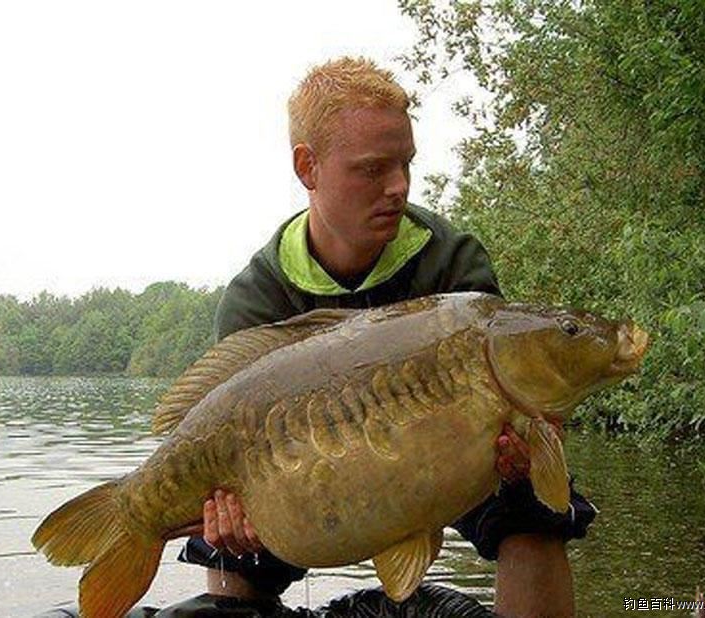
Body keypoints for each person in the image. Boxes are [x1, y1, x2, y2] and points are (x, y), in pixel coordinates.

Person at [178, 57, 596, 618]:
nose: (398, 187)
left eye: (406, 165)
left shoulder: (450, 260)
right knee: (228, 545)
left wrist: (530, 441)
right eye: (373, 170)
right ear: (307, 166)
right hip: (311, 481)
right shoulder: (259, 298)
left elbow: (517, 405)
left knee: (534, 507)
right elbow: (224, 448)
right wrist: (229, 518)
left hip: (446, 460)